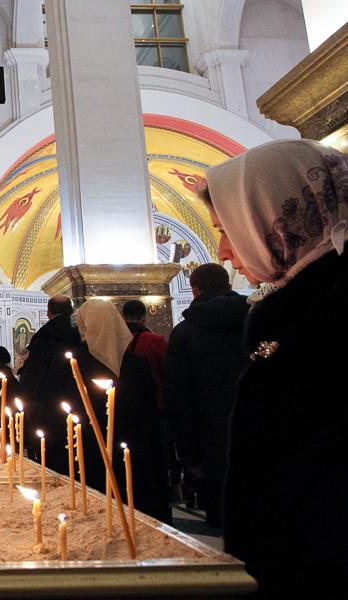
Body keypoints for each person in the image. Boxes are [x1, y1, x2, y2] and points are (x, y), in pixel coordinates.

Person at [200, 139, 348, 596]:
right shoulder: (300, 308)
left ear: (272, 217)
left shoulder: (331, 318)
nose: (223, 252)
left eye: (226, 229)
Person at [41, 300, 169, 523]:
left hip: (84, 457)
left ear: (84, 326)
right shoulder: (137, 365)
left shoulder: (69, 364)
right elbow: (150, 419)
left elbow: (54, 414)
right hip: (133, 458)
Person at [164, 264, 248, 528]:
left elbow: (181, 398)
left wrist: (190, 456)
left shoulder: (185, 333)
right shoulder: (256, 318)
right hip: (260, 428)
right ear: (228, 285)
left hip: (211, 437)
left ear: (195, 290)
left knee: (225, 519)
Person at [121, 299, 175, 499]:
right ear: (145, 316)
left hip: (123, 406)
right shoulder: (156, 341)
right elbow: (167, 373)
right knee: (157, 452)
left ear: (122, 316)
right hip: (156, 406)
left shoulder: (116, 341)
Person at [20, 294, 80, 452]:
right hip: (79, 398)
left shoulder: (43, 337)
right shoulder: (81, 333)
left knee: (51, 451)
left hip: (48, 402)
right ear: (71, 310)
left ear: (49, 313)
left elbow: (33, 376)